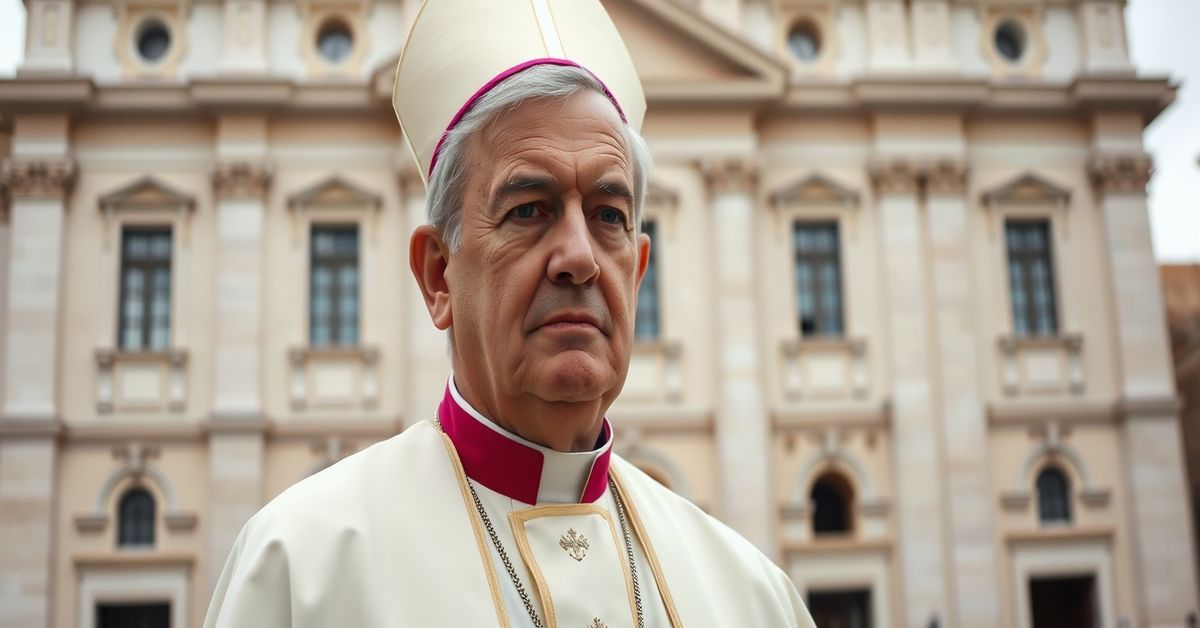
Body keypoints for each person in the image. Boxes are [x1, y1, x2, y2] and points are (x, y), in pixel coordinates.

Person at [204, 0, 816, 626]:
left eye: (609, 215)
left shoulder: (749, 595)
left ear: (637, 268)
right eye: (529, 209)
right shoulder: (301, 569)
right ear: (438, 275)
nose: (580, 258)